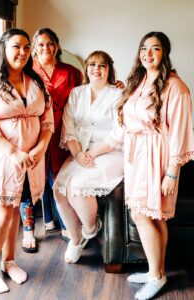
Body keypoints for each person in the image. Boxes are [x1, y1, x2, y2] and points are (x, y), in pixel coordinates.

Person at [0, 28, 54, 293]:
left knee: (16, 209)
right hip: (0, 159)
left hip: (31, 160)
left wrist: (41, 147)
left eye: (27, 47)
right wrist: (13, 152)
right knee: (2, 212)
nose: (23, 52)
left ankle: (10, 261)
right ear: (3, 46)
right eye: (17, 46)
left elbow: (47, 120)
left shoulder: (35, 80)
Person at [117, 31, 194, 300]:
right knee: (153, 215)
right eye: (144, 48)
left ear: (165, 53)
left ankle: (156, 276)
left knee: (143, 215)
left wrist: (172, 173)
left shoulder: (176, 87)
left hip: (157, 158)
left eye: (155, 48)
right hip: (137, 156)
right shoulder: (139, 81)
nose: (148, 53)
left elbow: (181, 134)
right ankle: (156, 272)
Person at [53, 50, 124, 264]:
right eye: (93, 64)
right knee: (59, 189)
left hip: (110, 151)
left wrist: (92, 153)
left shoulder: (118, 94)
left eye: (103, 65)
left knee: (78, 186)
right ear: (87, 69)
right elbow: (69, 127)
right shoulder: (77, 93)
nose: (97, 69)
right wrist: (77, 153)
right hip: (80, 149)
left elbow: (119, 133)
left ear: (109, 69)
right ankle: (76, 239)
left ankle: (91, 228)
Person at [19, 27, 83, 251]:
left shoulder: (72, 72)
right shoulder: (26, 72)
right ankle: (29, 230)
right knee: (29, 178)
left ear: (56, 45)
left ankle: (66, 223)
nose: (46, 47)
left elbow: (84, 100)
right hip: (34, 133)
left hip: (62, 132)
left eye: (50, 43)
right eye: (41, 44)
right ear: (34, 49)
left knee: (60, 178)